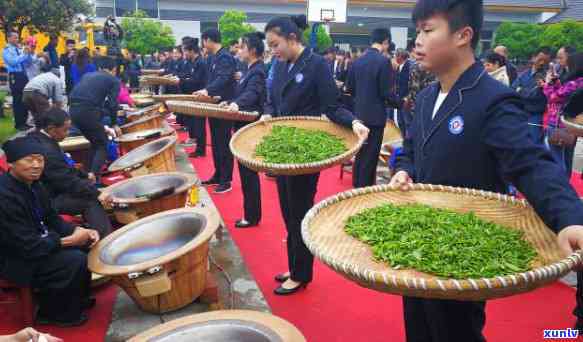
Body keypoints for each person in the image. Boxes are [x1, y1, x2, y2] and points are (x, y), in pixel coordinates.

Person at [390, 1, 583, 341]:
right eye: (417, 30)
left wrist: (570, 217)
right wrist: (404, 170)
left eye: (427, 30)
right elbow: (412, 149)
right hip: (418, 237)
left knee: (454, 330)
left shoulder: (494, 100)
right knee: (418, 327)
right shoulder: (425, 97)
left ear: (463, 35)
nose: (417, 40)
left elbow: (531, 162)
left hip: (465, 249)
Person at [264, 15, 369, 295]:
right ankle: (295, 265)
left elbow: (332, 107)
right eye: (270, 46)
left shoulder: (317, 65)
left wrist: (354, 122)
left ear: (292, 38)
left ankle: (301, 274)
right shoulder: (281, 64)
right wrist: (267, 114)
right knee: (287, 210)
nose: (273, 50)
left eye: (276, 44)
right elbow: (274, 100)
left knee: (299, 211)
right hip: (282, 148)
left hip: (305, 152)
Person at [0, 137, 99, 327]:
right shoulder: (4, 197)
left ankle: (77, 299)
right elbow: (26, 246)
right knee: (72, 259)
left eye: (40, 159)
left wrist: (80, 231)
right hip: (14, 258)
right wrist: (68, 241)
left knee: (87, 243)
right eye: (29, 160)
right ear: (11, 163)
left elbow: (52, 219)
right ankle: (54, 313)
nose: (36, 165)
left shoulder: (35, 185)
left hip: (37, 241)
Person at [27, 108, 113, 237]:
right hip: (46, 200)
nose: (67, 133)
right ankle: (105, 239)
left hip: (49, 190)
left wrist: (85, 175)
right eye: (65, 130)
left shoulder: (39, 137)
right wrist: (97, 193)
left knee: (88, 188)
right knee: (90, 199)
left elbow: (64, 169)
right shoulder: (47, 150)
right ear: (51, 129)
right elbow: (66, 181)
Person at [220, 32, 266, 228]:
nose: (238, 50)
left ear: (252, 50)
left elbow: (252, 94)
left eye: (242, 47)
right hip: (242, 125)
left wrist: (237, 104)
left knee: (249, 173)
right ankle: (251, 213)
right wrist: (231, 102)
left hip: (249, 127)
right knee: (246, 172)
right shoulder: (249, 69)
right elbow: (243, 94)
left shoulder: (257, 71)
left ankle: (252, 215)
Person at [346, 28, 399, 188]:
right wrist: (400, 103)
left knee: (360, 155)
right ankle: (364, 190)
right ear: (385, 42)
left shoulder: (357, 61)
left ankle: (357, 187)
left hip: (359, 116)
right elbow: (386, 93)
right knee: (370, 157)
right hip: (375, 118)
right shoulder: (383, 62)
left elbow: (350, 88)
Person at [194, 28, 237, 194]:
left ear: (209, 40)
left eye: (203, 41)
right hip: (214, 105)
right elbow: (212, 80)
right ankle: (218, 174)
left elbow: (223, 78)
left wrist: (207, 90)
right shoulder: (213, 57)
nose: (203, 45)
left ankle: (226, 179)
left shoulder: (225, 57)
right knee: (217, 143)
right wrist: (206, 90)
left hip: (224, 106)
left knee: (224, 143)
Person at [69, 57, 121, 182]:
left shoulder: (88, 75)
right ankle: (93, 178)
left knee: (95, 142)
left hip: (72, 110)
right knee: (102, 143)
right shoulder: (114, 80)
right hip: (87, 111)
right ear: (113, 70)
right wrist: (114, 124)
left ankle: (88, 173)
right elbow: (113, 104)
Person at [542, 52, 583, 177]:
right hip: (567, 125)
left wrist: (548, 84)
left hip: (560, 124)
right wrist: (556, 83)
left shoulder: (575, 82)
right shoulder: (578, 82)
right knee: (564, 158)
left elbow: (554, 97)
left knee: (557, 159)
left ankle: (560, 186)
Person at [512, 47, 552, 145]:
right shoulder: (524, 73)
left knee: (533, 143)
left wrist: (521, 90)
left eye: (545, 61)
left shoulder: (546, 76)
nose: (542, 63)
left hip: (536, 115)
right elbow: (513, 90)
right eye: (540, 60)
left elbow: (534, 96)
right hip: (521, 113)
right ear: (533, 58)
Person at [177, 40, 208, 158]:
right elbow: (188, 76)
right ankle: (199, 147)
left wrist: (182, 81)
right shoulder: (193, 62)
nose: (185, 54)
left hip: (199, 97)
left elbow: (196, 81)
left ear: (191, 51)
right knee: (194, 124)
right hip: (193, 96)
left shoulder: (200, 63)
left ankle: (201, 150)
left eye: (186, 51)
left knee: (199, 124)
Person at [2, 32, 33, 131]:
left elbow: (28, 63)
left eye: (17, 38)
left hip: (23, 75)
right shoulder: (6, 50)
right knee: (18, 100)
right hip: (14, 75)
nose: (17, 40)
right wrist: (24, 55)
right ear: (9, 38)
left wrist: (28, 54)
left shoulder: (20, 49)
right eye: (15, 38)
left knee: (25, 99)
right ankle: (19, 124)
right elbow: (13, 61)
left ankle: (24, 121)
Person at [22, 57, 64, 128]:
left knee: (37, 116)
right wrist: (59, 113)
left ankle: (38, 132)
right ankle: (46, 133)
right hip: (36, 94)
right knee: (46, 115)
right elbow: (58, 99)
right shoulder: (57, 80)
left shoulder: (43, 75)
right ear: (58, 75)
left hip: (25, 93)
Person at [395, 48, 413, 137]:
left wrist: (408, 97)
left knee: (407, 123)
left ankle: (409, 143)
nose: (394, 57)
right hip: (399, 99)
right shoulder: (398, 67)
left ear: (400, 56)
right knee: (400, 122)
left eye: (395, 55)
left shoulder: (410, 66)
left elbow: (412, 84)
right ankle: (403, 139)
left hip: (407, 100)